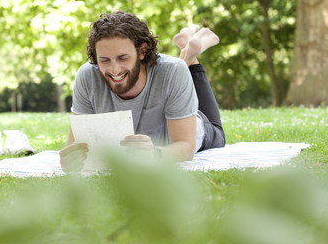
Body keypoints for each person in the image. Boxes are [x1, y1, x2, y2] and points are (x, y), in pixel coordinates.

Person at [59, 11, 225, 172]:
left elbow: (186, 147)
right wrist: (70, 160)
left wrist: (155, 154)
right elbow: (74, 145)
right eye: (104, 60)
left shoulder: (173, 71)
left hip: (186, 127)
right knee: (176, 71)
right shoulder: (87, 75)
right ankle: (188, 50)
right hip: (171, 80)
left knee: (218, 132)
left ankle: (189, 55)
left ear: (142, 51)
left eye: (123, 58)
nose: (114, 70)